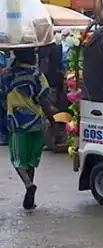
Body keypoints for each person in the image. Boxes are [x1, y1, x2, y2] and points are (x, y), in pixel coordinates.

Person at [0, 47, 57, 209]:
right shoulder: (37, 75)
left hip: (16, 124)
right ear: (25, 55)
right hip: (36, 123)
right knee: (32, 160)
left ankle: (28, 185)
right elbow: (45, 101)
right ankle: (29, 192)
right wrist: (54, 124)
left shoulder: (6, 75)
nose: (35, 57)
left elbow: (2, 97)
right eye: (33, 54)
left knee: (18, 160)